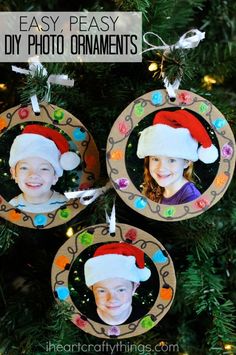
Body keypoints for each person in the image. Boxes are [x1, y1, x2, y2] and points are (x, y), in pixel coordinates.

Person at [136, 109, 219, 204]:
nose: (161, 168)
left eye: (171, 160)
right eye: (155, 159)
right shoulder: (156, 190)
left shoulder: (191, 198)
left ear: (186, 162)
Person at [8, 124, 80, 213]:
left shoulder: (66, 206)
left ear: (55, 177)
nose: (33, 175)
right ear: (14, 173)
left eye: (44, 169)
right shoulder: (10, 208)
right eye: (24, 168)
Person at [84, 242, 151, 325]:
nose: (112, 299)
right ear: (92, 289)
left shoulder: (147, 318)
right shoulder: (83, 319)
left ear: (134, 288)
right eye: (102, 291)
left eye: (121, 290)